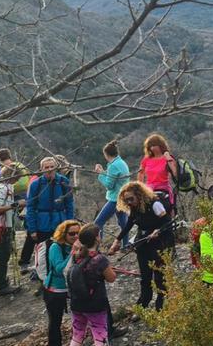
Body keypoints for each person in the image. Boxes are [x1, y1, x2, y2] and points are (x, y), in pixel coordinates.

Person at [109, 182, 174, 310]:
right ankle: (143, 303)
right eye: (126, 200)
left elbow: (168, 222)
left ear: (139, 195)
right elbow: (129, 224)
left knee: (160, 277)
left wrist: (158, 231)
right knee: (145, 276)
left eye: (131, 199)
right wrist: (117, 240)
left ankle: (161, 305)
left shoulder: (155, 204)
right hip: (144, 243)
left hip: (160, 242)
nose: (128, 202)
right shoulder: (134, 208)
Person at [68, 224, 116, 346]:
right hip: (95, 305)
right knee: (100, 337)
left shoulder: (77, 256)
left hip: (76, 303)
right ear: (97, 238)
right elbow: (111, 278)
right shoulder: (100, 259)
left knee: (77, 336)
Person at [26, 157, 75, 273]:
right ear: (41, 169)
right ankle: (45, 280)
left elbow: (69, 204)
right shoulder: (36, 185)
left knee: (61, 251)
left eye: (52, 167)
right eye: (46, 167)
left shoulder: (63, 182)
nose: (49, 170)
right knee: (44, 254)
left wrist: (69, 224)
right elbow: (31, 207)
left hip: (60, 223)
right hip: (42, 224)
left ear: (56, 167)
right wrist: (32, 229)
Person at [0, 164, 24, 295]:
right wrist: (15, 205)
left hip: (6, 225)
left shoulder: (8, 186)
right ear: (11, 175)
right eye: (17, 177)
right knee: (3, 255)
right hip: (1, 227)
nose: (18, 180)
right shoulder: (0, 187)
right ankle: (0, 285)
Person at [44, 219, 80, 346]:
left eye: (78, 233)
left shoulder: (78, 245)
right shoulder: (55, 247)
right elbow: (60, 269)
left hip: (71, 287)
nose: (75, 236)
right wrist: (73, 253)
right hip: (55, 290)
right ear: (63, 234)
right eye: (71, 233)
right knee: (55, 321)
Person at [93, 140, 131, 247]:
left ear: (106, 154)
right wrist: (104, 172)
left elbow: (109, 185)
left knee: (98, 223)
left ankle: (97, 247)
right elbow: (113, 179)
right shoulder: (121, 162)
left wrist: (100, 174)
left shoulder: (113, 166)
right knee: (123, 224)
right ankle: (126, 245)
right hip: (123, 197)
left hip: (115, 199)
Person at [138, 133, 177, 206]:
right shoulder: (146, 159)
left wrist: (168, 158)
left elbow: (175, 173)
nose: (152, 148)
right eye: (150, 146)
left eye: (154, 145)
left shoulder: (167, 158)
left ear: (160, 145)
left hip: (163, 189)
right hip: (149, 189)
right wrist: (140, 188)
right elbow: (141, 173)